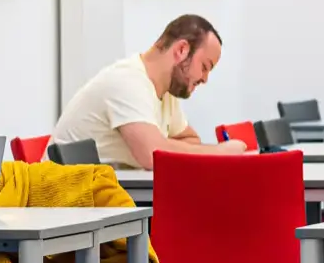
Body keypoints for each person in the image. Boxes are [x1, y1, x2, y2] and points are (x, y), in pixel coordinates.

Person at [52, 14, 248, 170]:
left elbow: (189, 140)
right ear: (181, 50)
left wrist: (162, 143)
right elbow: (153, 156)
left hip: (104, 201)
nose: (205, 79)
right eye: (205, 67)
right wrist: (221, 153)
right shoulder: (127, 82)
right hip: (64, 205)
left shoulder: (165, 92)